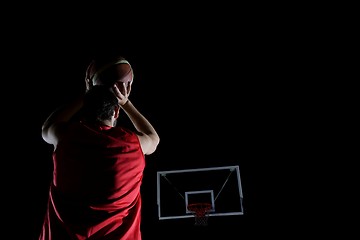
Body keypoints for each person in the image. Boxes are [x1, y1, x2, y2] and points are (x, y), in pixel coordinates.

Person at [38, 56, 160, 240]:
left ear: (84, 109)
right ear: (116, 111)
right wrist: (126, 102)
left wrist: (89, 94)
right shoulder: (132, 145)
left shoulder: (67, 137)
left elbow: (48, 126)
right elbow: (154, 138)